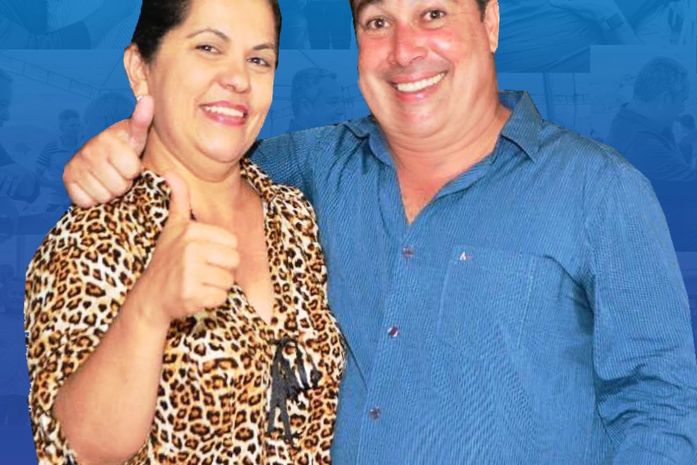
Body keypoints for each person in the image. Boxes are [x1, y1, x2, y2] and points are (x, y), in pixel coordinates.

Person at [63, 0, 697, 463]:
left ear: (491, 23)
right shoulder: (311, 169)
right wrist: (119, 148)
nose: (404, 49)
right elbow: (201, 151)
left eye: (433, 14)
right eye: (377, 22)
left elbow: (660, 401)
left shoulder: (599, 189)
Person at [24, 0, 345, 464]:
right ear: (141, 70)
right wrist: (148, 308)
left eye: (259, 59)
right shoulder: (94, 235)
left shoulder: (295, 214)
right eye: (208, 48)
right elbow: (76, 453)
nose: (238, 78)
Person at [607, 57, 697, 250]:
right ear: (665, 99)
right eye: (682, 101)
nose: (682, 109)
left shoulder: (632, 124)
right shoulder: (640, 144)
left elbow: (668, 160)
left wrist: (689, 140)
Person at [35, 109, 83, 211]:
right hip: (54, 200)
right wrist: (55, 185)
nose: (76, 129)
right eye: (72, 125)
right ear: (62, 127)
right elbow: (37, 175)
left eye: (78, 125)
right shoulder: (50, 148)